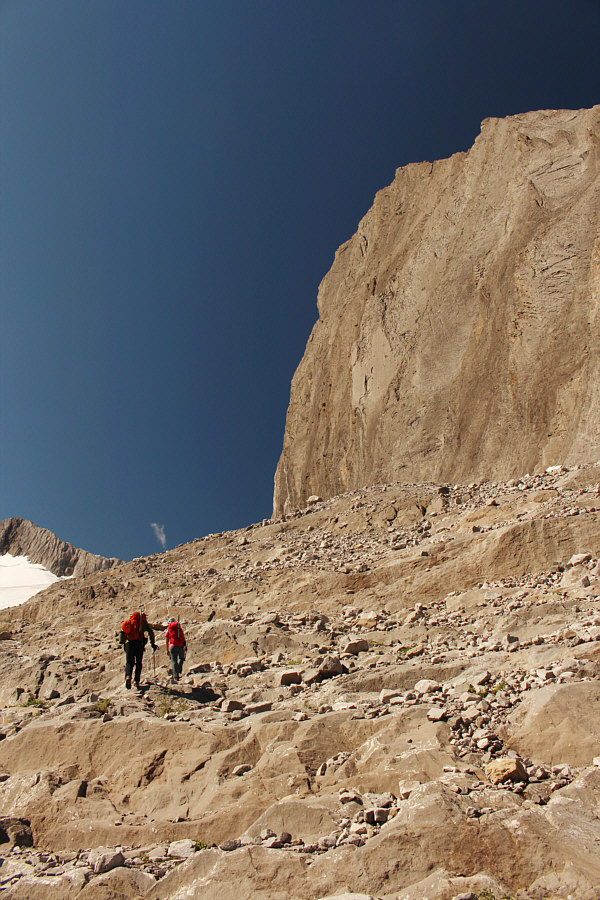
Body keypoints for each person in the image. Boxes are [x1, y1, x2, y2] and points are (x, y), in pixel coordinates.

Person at [119, 610, 156, 689]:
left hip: (129, 644)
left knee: (129, 662)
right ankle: (137, 681)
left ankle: (128, 676)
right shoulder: (143, 623)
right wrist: (152, 643)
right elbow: (151, 632)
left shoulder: (129, 622)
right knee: (139, 663)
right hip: (139, 644)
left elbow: (123, 634)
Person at [165, 617, 187, 682]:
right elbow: (183, 638)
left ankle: (175, 676)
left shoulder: (168, 630)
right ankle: (179, 670)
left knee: (174, 661)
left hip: (172, 646)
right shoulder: (179, 629)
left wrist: (167, 650)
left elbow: (166, 641)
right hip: (180, 645)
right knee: (181, 658)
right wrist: (185, 646)